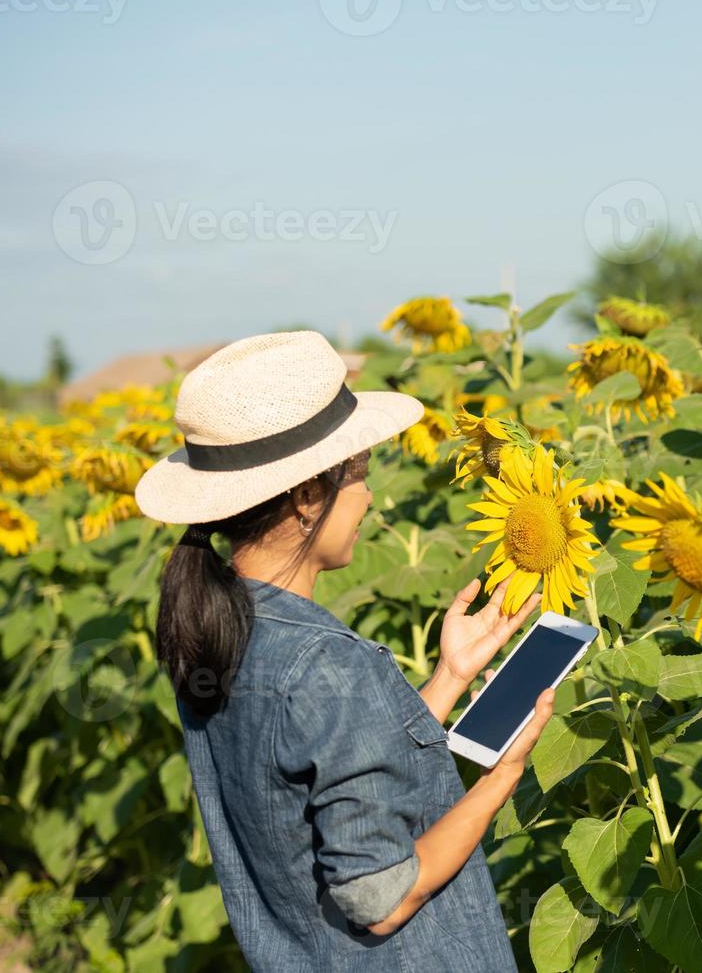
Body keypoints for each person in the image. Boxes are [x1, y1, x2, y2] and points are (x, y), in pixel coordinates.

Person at [134, 331, 553, 971]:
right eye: (358, 474)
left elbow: (326, 771)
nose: (370, 497)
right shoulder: (323, 663)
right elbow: (381, 896)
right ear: (307, 498)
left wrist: (448, 677)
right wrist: (505, 775)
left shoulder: (216, 632)